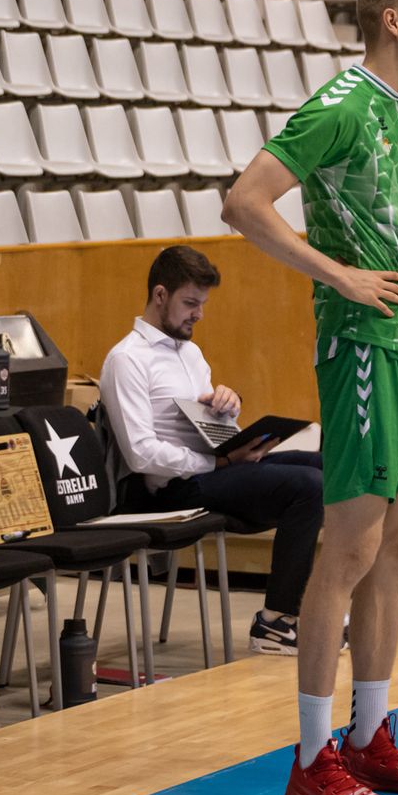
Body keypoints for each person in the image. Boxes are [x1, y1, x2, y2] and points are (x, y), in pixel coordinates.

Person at [221, 0, 398, 795]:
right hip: (361, 344)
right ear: (391, 20)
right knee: (348, 549)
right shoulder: (342, 104)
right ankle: (312, 757)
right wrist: (339, 276)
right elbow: (245, 202)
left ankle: (369, 734)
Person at [99, 245, 325, 656]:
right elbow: (140, 454)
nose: (198, 314)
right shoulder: (126, 359)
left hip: (213, 469)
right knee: (308, 485)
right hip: (168, 489)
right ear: (160, 295)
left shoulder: (191, 351)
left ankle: (317, 605)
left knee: (327, 465)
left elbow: (209, 428)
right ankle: (276, 622)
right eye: (190, 303)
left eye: (202, 304)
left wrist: (228, 410)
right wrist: (218, 460)